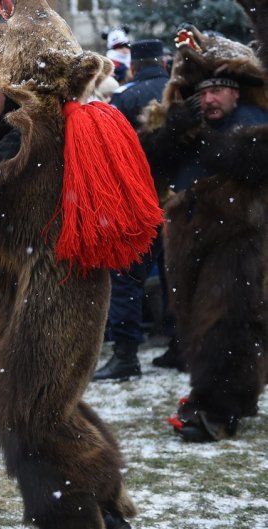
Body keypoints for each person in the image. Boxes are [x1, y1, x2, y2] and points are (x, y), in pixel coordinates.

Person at [140, 25, 268, 442]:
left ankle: (215, 408)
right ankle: (225, 395)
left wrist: (205, 142)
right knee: (194, 322)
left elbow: (249, 161)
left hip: (237, 240)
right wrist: (172, 133)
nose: (210, 99)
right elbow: (149, 163)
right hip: (187, 241)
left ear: (236, 93)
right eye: (204, 91)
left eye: (219, 90)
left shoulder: (253, 122)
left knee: (224, 324)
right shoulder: (185, 121)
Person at [94, 39, 172, 381]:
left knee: (126, 277)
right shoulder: (180, 93)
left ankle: (126, 354)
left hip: (140, 200)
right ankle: (180, 344)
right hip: (183, 200)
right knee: (180, 276)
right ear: (164, 62)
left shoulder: (125, 98)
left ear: (136, 66)